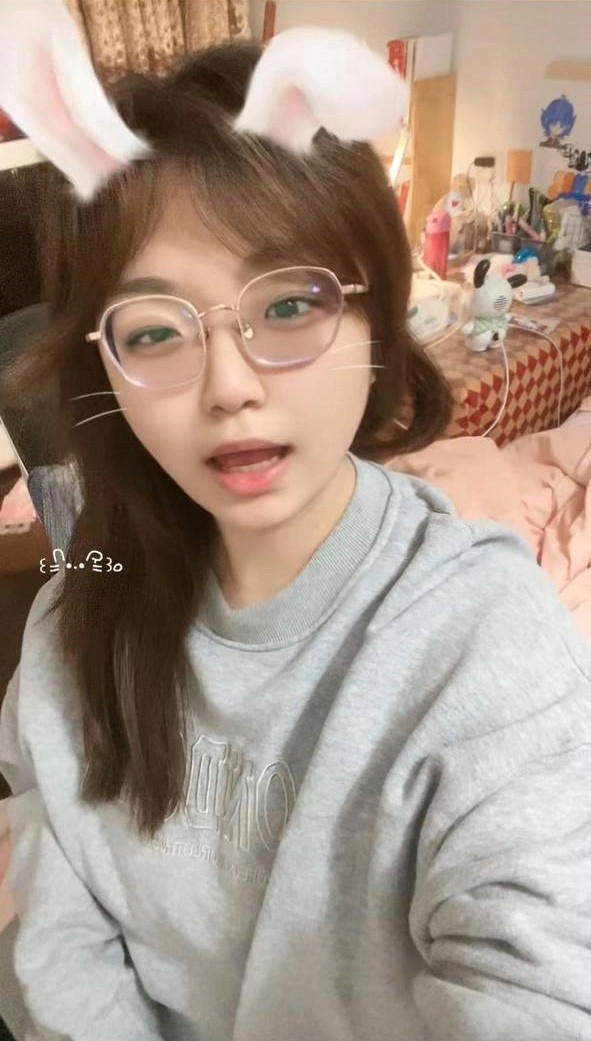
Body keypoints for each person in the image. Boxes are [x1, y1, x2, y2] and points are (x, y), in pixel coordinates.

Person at [0, 11, 590, 1041]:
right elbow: (62, 933)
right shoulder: (77, 618)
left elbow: (537, 987)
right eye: (155, 330)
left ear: (376, 317)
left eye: (286, 307)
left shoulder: (481, 643)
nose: (229, 387)